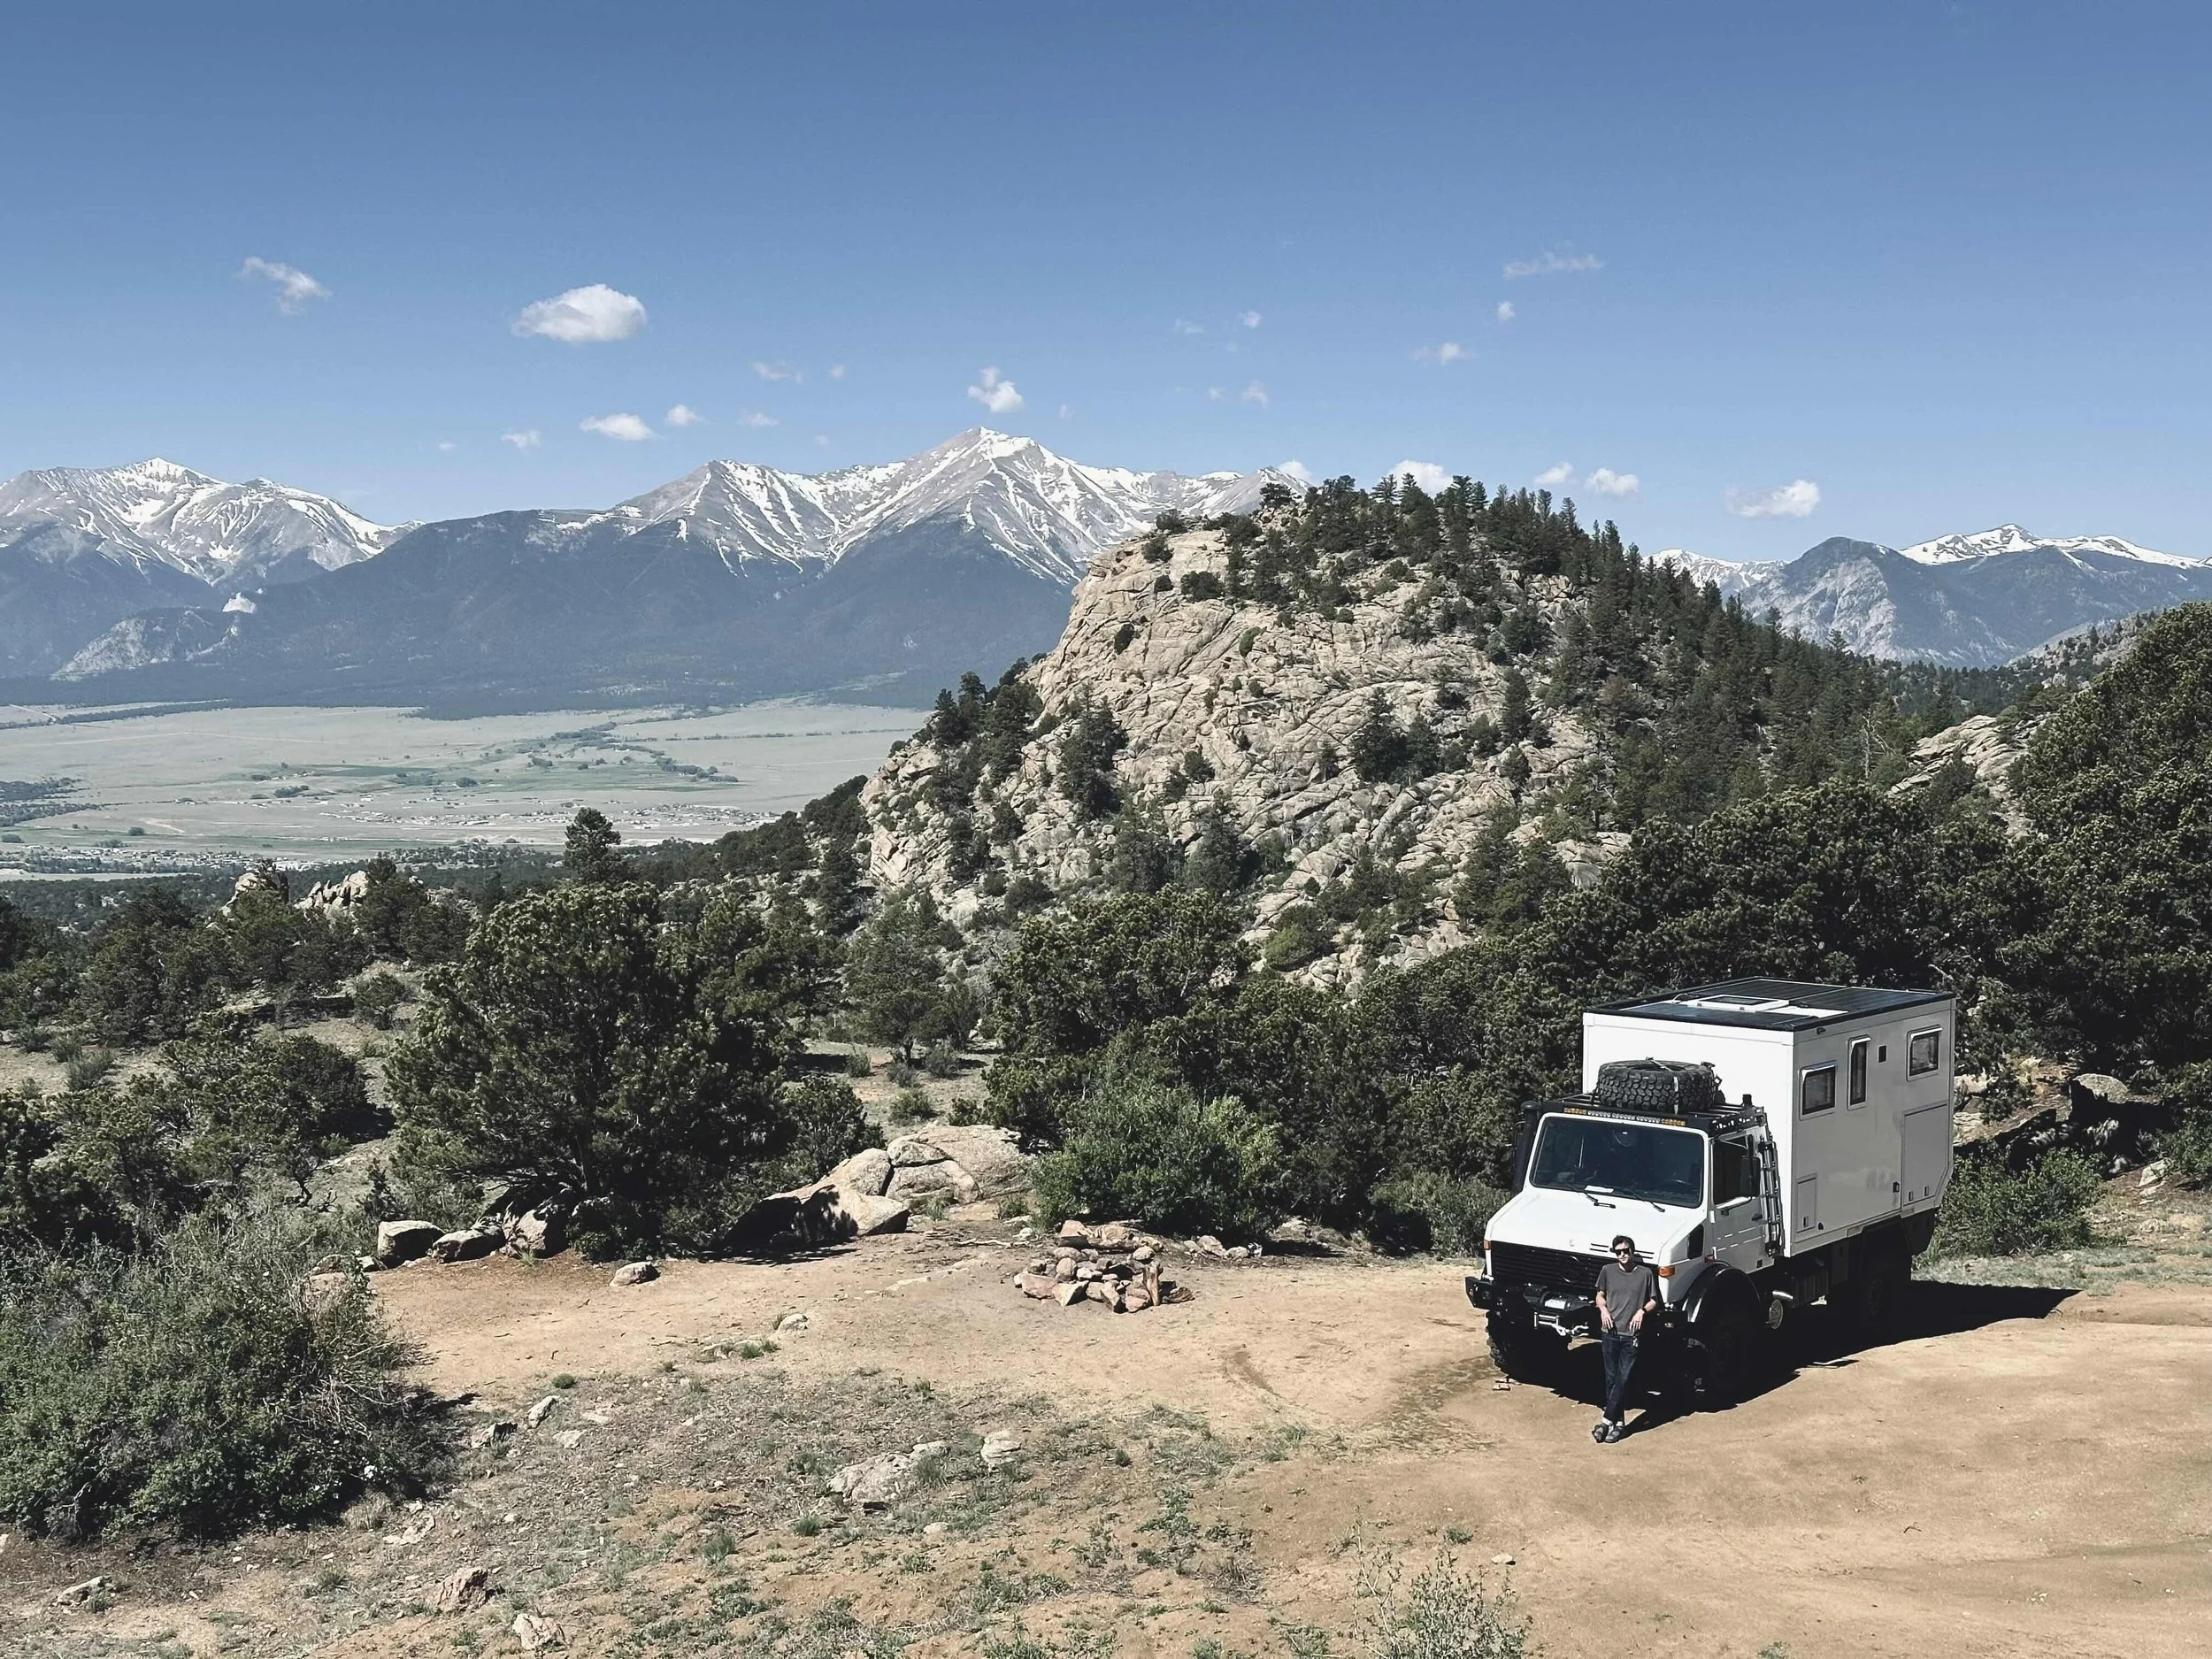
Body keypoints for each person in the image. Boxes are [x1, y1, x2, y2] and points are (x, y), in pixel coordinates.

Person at [1594, 1233, 1659, 1443]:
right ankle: (1619, 1425)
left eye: (1626, 1251)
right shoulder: (1607, 1271)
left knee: (1624, 1378)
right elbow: (1600, 1295)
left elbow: (1654, 1301)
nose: (1622, 1255)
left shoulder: (1645, 1274)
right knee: (1611, 1379)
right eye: (1618, 1252)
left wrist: (1642, 1312)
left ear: (1632, 1251)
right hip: (1610, 1333)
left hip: (1632, 1335)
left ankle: (1605, 1421)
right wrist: (1603, 1310)